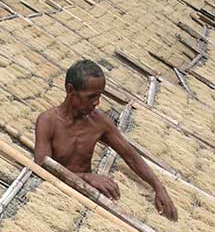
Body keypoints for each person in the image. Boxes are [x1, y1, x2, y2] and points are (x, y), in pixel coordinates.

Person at [34, 59, 178, 221]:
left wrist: (158, 187)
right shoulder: (48, 122)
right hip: (56, 195)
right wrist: (87, 177)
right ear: (70, 90)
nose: (97, 102)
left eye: (99, 95)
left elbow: (130, 155)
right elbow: (42, 169)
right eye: (91, 96)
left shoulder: (98, 122)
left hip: (87, 195)